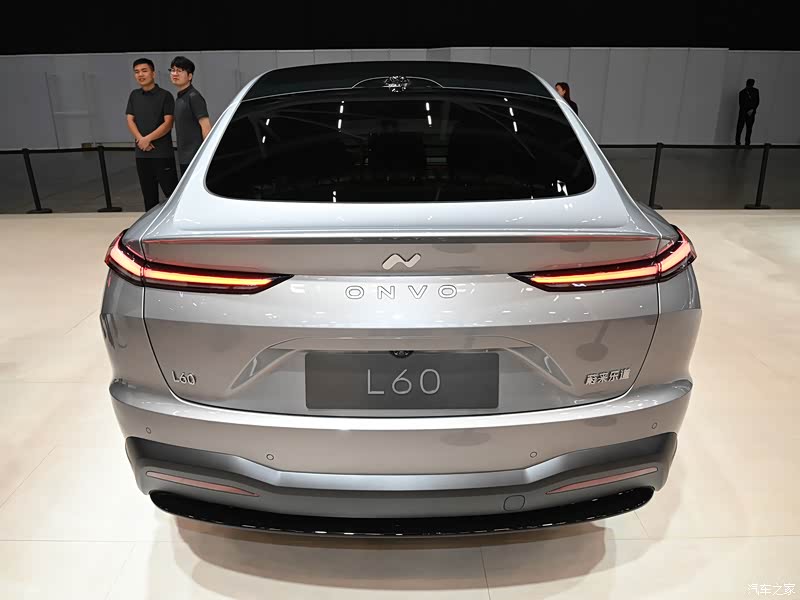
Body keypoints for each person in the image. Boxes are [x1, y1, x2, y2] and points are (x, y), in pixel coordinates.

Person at [125, 58, 178, 211]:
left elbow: (168, 123)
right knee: (149, 197)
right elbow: (130, 119)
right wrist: (140, 140)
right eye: (136, 72)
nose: (140, 75)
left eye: (144, 71)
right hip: (142, 155)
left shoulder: (165, 95)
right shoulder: (134, 95)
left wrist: (147, 139)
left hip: (162, 154)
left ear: (153, 73)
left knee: (171, 194)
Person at [169, 56, 211, 176]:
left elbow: (206, 127)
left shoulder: (194, 96)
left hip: (195, 157)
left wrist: (207, 155)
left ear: (189, 76)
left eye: (179, 70)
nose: (175, 73)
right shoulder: (180, 97)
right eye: (173, 70)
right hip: (184, 156)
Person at [736, 78, 760, 146]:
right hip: (744, 113)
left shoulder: (755, 91)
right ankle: (738, 142)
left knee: (748, 128)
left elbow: (757, 101)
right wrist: (750, 110)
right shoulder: (742, 92)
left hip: (749, 113)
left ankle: (747, 142)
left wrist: (752, 109)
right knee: (740, 128)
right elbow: (741, 104)